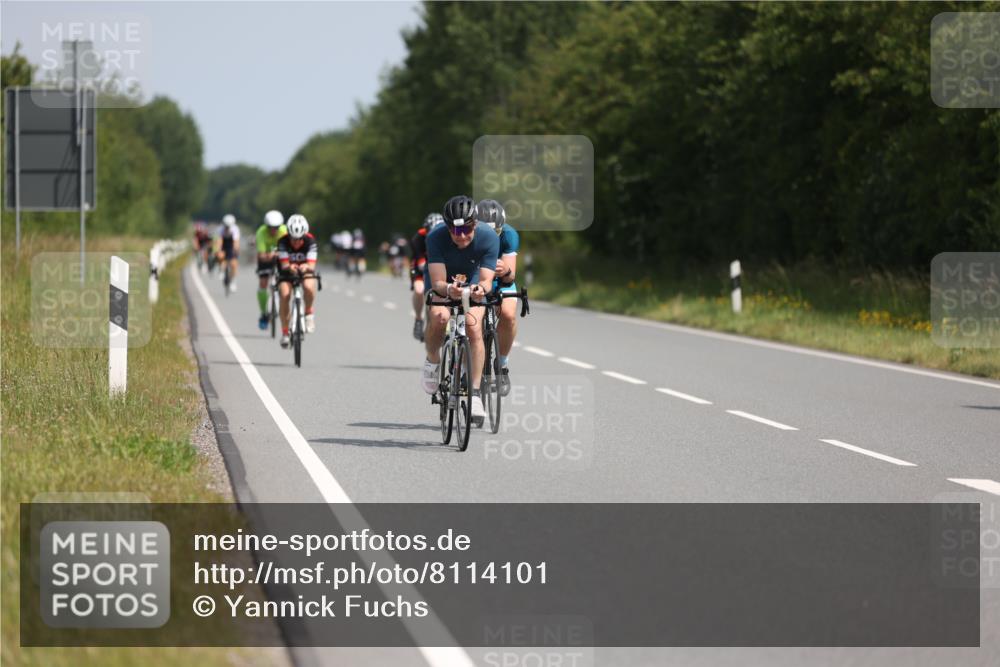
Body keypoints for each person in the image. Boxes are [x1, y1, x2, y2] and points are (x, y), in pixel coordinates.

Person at [421, 196, 499, 427]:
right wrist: (448, 289)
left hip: (473, 274)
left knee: (474, 328)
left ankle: (474, 393)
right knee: (439, 316)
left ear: (475, 224)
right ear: (447, 227)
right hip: (445, 277)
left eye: (466, 228)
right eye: (455, 230)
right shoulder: (436, 237)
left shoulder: (488, 237)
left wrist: (478, 290)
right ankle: (433, 360)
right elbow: (437, 282)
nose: (461, 234)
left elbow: (486, 281)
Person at [477, 199, 519, 396]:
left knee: (509, 315)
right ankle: (467, 369)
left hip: (499, 281)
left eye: (496, 232)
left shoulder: (509, 235)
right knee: (472, 322)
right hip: (475, 278)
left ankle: (501, 364)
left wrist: (506, 269)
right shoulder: (466, 235)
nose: (491, 237)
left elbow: (511, 276)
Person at [276, 214, 319, 347]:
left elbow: (312, 266)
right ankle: (284, 333)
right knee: (284, 294)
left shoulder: (311, 241)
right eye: (292, 238)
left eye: (299, 239)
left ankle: (308, 313)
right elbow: (284, 265)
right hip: (287, 271)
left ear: (304, 235)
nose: (295, 242)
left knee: (308, 286)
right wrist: (290, 267)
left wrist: (306, 266)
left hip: (304, 270)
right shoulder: (282, 242)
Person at [410, 213, 444, 341]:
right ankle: (419, 318)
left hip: (439, 264)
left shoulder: (446, 235)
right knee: (419, 290)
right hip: (421, 264)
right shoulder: (418, 238)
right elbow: (421, 264)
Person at [255, 210, 288, 329]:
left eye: (276, 227)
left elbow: (289, 250)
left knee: (286, 279)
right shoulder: (261, 233)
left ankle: (281, 299)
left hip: (281, 258)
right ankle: (264, 313)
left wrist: (278, 254)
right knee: (263, 283)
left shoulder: (285, 231)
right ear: (266, 226)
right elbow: (261, 256)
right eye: (270, 227)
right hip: (265, 259)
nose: (273, 230)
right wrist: (271, 255)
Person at [218, 214, 240, 291]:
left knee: (234, 264)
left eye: (228, 226)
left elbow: (236, 242)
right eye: (226, 226)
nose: (227, 228)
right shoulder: (220, 229)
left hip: (231, 245)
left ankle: (233, 281)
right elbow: (219, 241)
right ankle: (221, 269)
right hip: (224, 244)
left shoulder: (235, 229)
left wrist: (235, 252)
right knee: (220, 256)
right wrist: (219, 250)